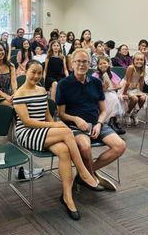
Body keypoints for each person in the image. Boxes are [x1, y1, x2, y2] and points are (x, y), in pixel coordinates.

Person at [13, 60, 103, 220]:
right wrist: (56, 126)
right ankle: (83, 172)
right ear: (25, 71)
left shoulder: (41, 90)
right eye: (33, 71)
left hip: (44, 130)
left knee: (64, 151)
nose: (36, 76)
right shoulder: (19, 94)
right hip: (27, 132)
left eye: (39, 73)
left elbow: (47, 114)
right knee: (67, 133)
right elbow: (27, 121)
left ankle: (67, 197)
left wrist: (55, 125)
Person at [56, 49, 126, 191]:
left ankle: (85, 174)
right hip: (75, 127)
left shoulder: (95, 82)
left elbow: (103, 110)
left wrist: (99, 124)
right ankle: (89, 176)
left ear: (89, 64)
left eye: (85, 62)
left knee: (120, 146)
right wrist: (76, 119)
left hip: (96, 123)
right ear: (72, 64)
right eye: (78, 61)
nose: (82, 64)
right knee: (85, 146)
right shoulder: (63, 84)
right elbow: (61, 114)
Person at [92, 56, 126, 135]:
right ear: (97, 65)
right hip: (100, 93)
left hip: (111, 92)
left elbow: (118, 85)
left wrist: (117, 86)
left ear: (109, 64)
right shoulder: (95, 75)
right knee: (112, 98)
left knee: (117, 98)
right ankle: (110, 122)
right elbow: (93, 88)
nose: (103, 65)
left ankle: (113, 121)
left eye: (104, 63)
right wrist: (103, 88)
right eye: (100, 64)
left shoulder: (112, 73)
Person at [120, 52, 147, 126]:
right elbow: (128, 82)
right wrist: (124, 93)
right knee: (134, 99)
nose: (139, 61)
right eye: (137, 59)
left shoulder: (143, 68)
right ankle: (127, 114)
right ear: (133, 60)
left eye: (141, 60)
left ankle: (134, 113)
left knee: (143, 98)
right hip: (126, 87)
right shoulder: (131, 67)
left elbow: (141, 82)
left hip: (135, 87)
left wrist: (141, 92)